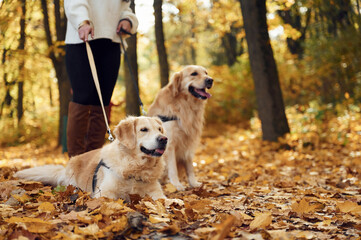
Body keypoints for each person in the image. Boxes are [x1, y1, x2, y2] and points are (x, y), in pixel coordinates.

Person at [64, 0, 138, 158]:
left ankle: (93, 161)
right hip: (81, 39)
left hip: (111, 42)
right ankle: (75, 163)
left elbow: (124, 9)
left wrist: (127, 20)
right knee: (82, 99)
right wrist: (82, 21)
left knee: (103, 101)